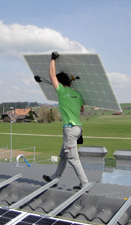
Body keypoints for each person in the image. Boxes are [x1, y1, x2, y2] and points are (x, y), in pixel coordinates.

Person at [43, 52, 88, 191]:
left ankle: (84, 184)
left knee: (73, 158)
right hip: (78, 128)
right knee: (63, 155)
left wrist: (52, 60)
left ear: (60, 83)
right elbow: (82, 110)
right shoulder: (78, 94)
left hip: (69, 129)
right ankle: (55, 178)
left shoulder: (62, 92)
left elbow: (52, 76)